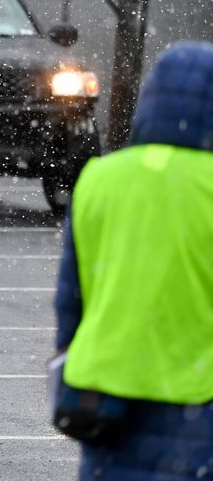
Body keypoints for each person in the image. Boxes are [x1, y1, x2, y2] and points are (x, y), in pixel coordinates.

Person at [54, 41, 213, 479]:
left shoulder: (101, 178)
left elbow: (72, 294)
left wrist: (67, 356)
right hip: (197, 393)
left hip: (105, 396)